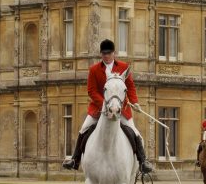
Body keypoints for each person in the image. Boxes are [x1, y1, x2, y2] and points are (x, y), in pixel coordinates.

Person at [62, 39, 153, 174]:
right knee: (83, 129)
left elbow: (130, 87)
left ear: (113, 53)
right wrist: (105, 105)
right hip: (98, 108)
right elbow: (91, 91)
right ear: (101, 54)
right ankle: (75, 160)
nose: (106, 56)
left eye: (109, 53)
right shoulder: (94, 70)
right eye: (104, 53)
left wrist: (135, 102)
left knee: (135, 132)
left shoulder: (123, 67)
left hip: (121, 109)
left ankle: (143, 161)